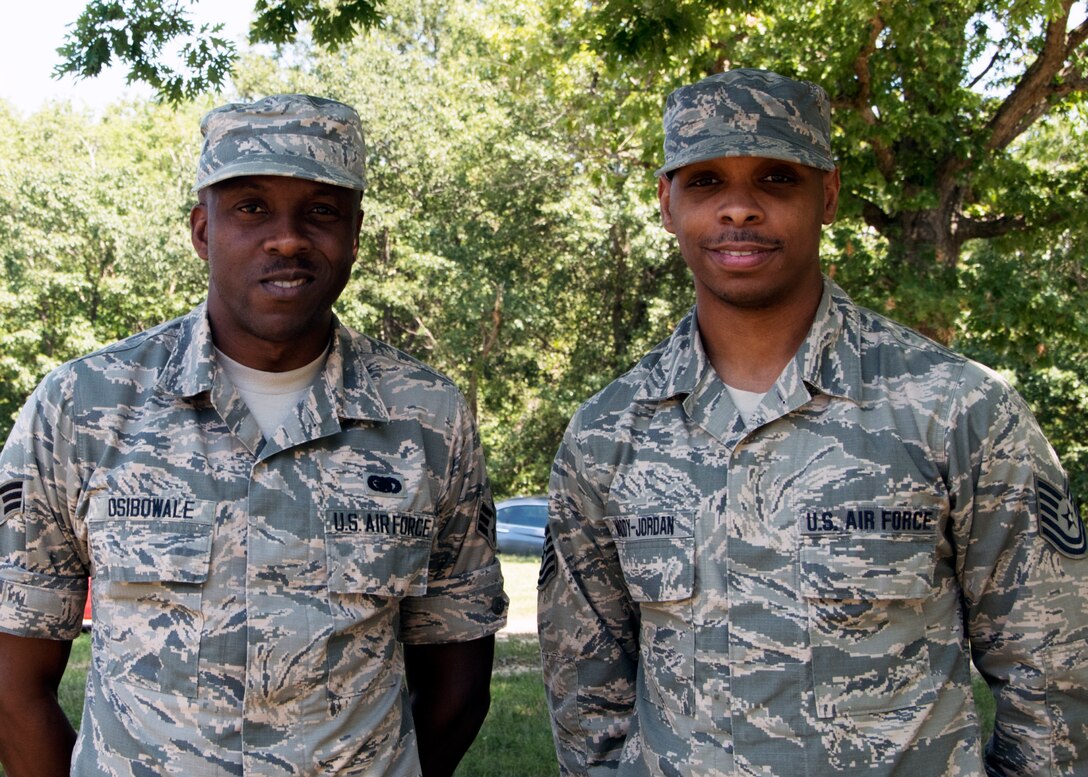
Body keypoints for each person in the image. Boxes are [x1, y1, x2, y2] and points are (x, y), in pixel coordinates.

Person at [537, 68, 1088, 776]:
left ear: (826, 195)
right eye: (705, 181)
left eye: (775, 179)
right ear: (666, 202)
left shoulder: (956, 410)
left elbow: (1053, 675)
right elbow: (585, 699)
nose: (739, 209)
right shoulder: (609, 434)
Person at [0, 94, 507, 777]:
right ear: (202, 230)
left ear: (355, 233)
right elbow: (13, 683)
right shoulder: (83, 406)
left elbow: (458, 684)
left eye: (320, 212)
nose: (288, 238)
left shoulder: (427, 418)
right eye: (250, 208)